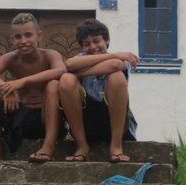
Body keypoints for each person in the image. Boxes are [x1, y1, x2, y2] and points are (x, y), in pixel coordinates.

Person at [0, 12, 66, 163]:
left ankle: (48, 146)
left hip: (46, 118)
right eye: (18, 37)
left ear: (39, 35)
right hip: (22, 118)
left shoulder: (50, 55)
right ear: (12, 39)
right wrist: (6, 89)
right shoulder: (11, 58)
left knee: (54, 84)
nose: (23, 41)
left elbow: (60, 70)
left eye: (28, 35)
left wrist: (22, 82)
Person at [59, 18, 138, 163]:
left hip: (114, 123)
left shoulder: (122, 59)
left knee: (117, 77)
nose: (93, 47)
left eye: (97, 41)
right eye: (86, 44)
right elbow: (69, 64)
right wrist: (114, 54)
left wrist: (80, 73)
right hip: (88, 122)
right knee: (66, 80)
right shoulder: (115, 55)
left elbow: (115, 65)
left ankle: (116, 146)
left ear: (107, 41)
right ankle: (82, 146)